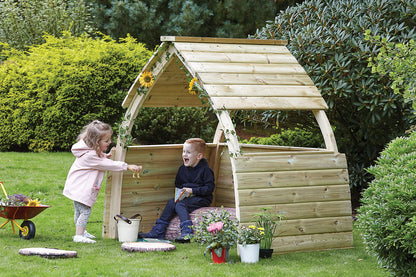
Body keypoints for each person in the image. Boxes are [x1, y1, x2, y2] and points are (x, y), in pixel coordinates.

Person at [63, 120, 142, 243]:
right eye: (106, 141)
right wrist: (127, 166)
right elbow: (106, 164)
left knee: (79, 211)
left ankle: (81, 232)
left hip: (76, 187)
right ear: (96, 142)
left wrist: (107, 155)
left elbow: (99, 158)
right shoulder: (90, 156)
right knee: (85, 211)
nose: (109, 142)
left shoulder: (90, 151)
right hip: (80, 188)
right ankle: (78, 235)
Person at [141, 138, 215, 243]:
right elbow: (178, 184)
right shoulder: (182, 169)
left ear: (199, 156)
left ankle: (187, 232)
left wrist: (193, 190)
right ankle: (158, 230)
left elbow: (209, 188)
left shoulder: (206, 170)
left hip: (201, 198)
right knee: (172, 202)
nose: (184, 154)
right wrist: (182, 192)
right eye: (184, 151)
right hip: (186, 197)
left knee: (180, 205)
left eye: (188, 152)